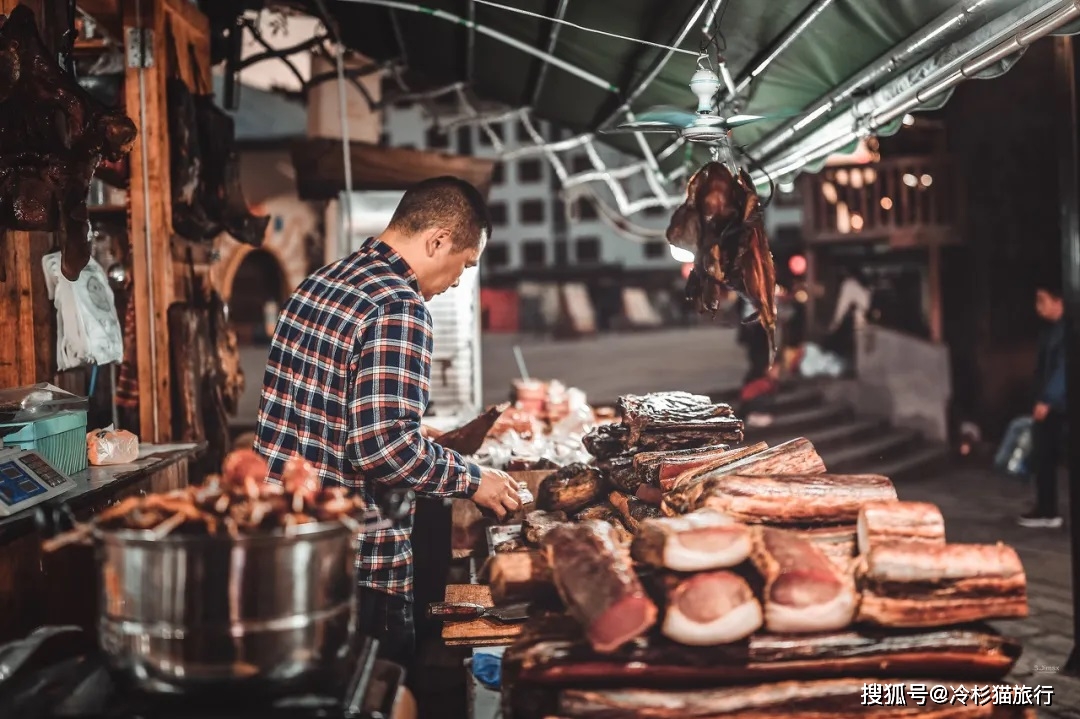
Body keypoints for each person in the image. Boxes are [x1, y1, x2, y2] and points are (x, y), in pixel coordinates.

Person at [253, 177, 522, 669]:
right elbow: (380, 447)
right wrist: (473, 480)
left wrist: (422, 437)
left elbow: (325, 415)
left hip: (282, 549)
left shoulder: (321, 282)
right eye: (463, 264)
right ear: (437, 239)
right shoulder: (399, 305)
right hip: (355, 563)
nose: (459, 281)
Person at [1019, 278, 1066, 528]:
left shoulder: (1064, 331)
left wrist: (1047, 400)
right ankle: (1045, 508)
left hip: (1056, 406)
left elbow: (1062, 370)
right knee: (1043, 457)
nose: (1038, 306)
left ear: (1059, 302)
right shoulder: (1051, 329)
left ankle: (1048, 511)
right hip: (1050, 402)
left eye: (1042, 300)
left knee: (1046, 456)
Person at [826, 266, 872, 374]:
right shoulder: (865, 285)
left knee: (851, 345)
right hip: (864, 320)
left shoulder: (849, 285)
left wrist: (835, 323)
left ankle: (852, 369)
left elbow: (842, 305)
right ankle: (862, 368)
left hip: (855, 321)